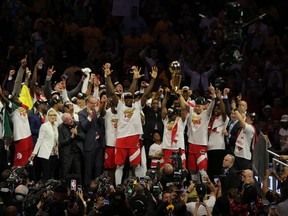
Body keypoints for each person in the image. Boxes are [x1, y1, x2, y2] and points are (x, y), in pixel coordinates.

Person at [104, 63, 157, 186]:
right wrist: (107, 77)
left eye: (130, 98)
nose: (128, 99)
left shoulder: (137, 106)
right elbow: (112, 92)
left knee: (137, 165)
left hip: (134, 139)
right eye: (126, 98)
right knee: (119, 166)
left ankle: (140, 186)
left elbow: (146, 93)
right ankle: (118, 186)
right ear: (123, 99)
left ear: (133, 99)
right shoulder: (120, 106)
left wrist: (153, 79)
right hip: (121, 139)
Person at [186, 83, 216, 182]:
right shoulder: (191, 112)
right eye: (197, 106)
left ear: (204, 106)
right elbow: (185, 105)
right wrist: (178, 93)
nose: (198, 108)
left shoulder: (206, 115)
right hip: (191, 145)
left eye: (200, 106)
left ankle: (206, 190)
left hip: (201, 146)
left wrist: (214, 96)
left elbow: (211, 107)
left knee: (203, 172)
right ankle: (195, 191)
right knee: (193, 171)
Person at [78, 95, 105, 185]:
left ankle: (97, 187)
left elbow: (102, 123)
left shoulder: (97, 111)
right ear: (87, 103)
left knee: (98, 167)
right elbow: (85, 127)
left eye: (95, 103)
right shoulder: (82, 113)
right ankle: (87, 187)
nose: (94, 105)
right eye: (92, 103)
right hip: (89, 144)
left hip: (99, 143)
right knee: (88, 168)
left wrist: (97, 114)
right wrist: (90, 116)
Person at [30, 109, 59, 180]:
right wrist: (34, 152)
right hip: (45, 153)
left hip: (54, 153)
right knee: (46, 173)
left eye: (54, 115)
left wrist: (57, 147)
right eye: (51, 115)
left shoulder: (56, 125)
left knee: (52, 172)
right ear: (48, 116)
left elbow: (56, 139)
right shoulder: (44, 126)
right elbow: (39, 140)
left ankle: (50, 189)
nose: (52, 117)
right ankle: (43, 189)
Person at [207, 89, 229, 180]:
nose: (216, 109)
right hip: (209, 148)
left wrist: (220, 99)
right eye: (216, 108)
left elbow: (224, 111)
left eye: (218, 108)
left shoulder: (224, 119)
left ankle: (217, 190)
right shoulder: (212, 119)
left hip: (219, 148)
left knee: (217, 171)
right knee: (210, 171)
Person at [231, 100, 258, 170]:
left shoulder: (250, 129)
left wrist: (235, 108)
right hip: (237, 154)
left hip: (244, 157)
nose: (246, 118)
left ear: (251, 121)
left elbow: (241, 120)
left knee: (244, 177)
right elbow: (242, 115)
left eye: (248, 118)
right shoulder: (246, 126)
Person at [58, 113, 84, 182]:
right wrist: (71, 138)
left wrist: (77, 134)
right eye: (68, 120)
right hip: (67, 155)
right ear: (64, 122)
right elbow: (61, 143)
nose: (71, 120)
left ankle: (76, 190)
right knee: (66, 174)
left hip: (77, 154)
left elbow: (83, 137)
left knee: (77, 174)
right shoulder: (60, 127)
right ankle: (67, 191)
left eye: (71, 118)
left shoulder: (78, 124)